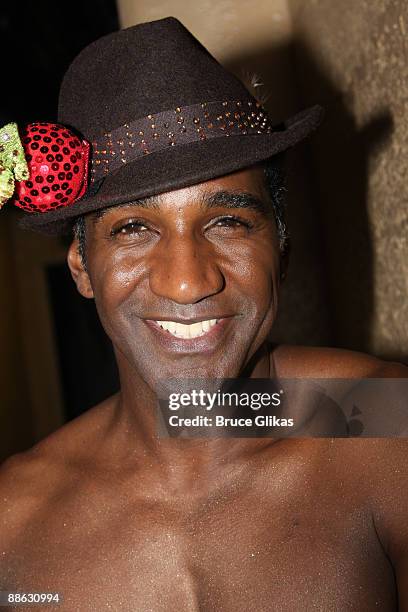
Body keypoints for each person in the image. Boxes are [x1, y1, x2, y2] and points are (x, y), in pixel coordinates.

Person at [1, 17, 408, 611]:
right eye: (134, 228)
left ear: (281, 251)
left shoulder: (387, 428)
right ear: (82, 269)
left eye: (228, 222)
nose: (189, 281)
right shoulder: (16, 519)